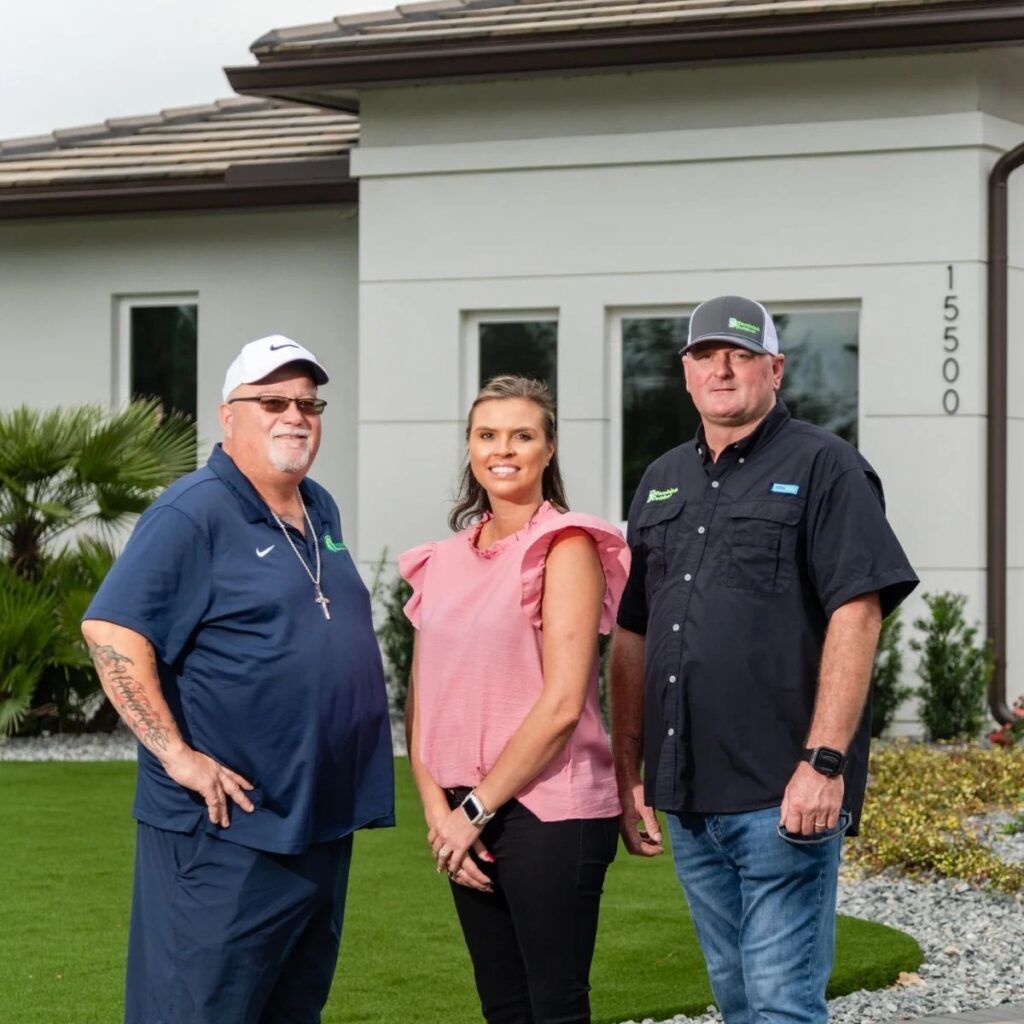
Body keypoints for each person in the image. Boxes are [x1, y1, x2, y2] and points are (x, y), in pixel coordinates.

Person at [610, 296, 918, 1024]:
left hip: (784, 797)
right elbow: (633, 634)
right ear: (685, 374)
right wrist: (629, 774)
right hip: (688, 799)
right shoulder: (660, 480)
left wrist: (825, 763)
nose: (722, 367)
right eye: (705, 355)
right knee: (739, 998)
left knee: (782, 1006)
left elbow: (858, 610)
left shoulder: (827, 467)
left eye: (741, 353)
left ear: (774, 369)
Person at [81, 335, 394, 1024]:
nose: (296, 416)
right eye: (274, 401)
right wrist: (177, 755)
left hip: (316, 820)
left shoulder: (319, 508)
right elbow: (111, 630)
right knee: (199, 1008)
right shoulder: (191, 512)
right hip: (226, 831)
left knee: (290, 1007)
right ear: (229, 415)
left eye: (309, 403)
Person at [399, 375, 629, 1024]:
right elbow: (423, 702)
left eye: (523, 435)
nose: (505, 449)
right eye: (488, 435)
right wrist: (440, 815)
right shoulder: (440, 561)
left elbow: (561, 705)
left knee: (553, 1008)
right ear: (470, 447)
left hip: (550, 809)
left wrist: (471, 810)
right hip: (462, 813)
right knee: (502, 1007)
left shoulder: (567, 546)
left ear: (548, 450)